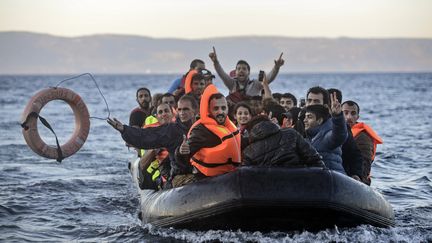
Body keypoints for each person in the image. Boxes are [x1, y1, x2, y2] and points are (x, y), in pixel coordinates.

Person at [107, 95, 199, 188]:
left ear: (195, 110)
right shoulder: (171, 130)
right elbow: (146, 135)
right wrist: (124, 130)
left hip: (200, 172)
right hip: (179, 176)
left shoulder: (202, 128)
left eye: (186, 109)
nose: (182, 113)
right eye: (180, 110)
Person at [174, 84, 241, 186]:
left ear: (227, 108)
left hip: (229, 175)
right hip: (205, 179)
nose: (220, 112)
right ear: (209, 110)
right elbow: (183, 158)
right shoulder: (200, 130)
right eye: (216, 109)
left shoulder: (229, 126)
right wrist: (181, 152)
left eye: (223, 108)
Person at [242, 115, 324, 167]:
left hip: (269, 190)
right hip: (298, 185)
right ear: (270, 123)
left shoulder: (248, 151)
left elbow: (248, 176)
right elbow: (314, 158)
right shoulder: (290, 133)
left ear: (251, 132)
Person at [208, 47, 284, 101]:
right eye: (239, 69)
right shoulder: (231, 84)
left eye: (244, 69)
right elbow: (222, 74)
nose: (241, 71)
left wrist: (276, 67)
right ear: (236, 72)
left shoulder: (256, 84)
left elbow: (268, 79)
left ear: (249, 72)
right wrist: (215, 62)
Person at [303, 93, 348, 174]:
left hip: (334, 179)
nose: (305, 120)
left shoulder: (326, 137)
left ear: (319, 120)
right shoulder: (307, 139)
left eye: (309, 117)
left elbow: (339, 135)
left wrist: (337, 116)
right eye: (305, 117)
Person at [342, 100, 383, 185]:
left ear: (357, 117)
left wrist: (359, 178)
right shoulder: (336, 131)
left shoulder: (363, 137)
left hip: (357, 180)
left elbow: (365, 161)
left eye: (353, 113)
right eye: (345, 113)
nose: (349, 117)